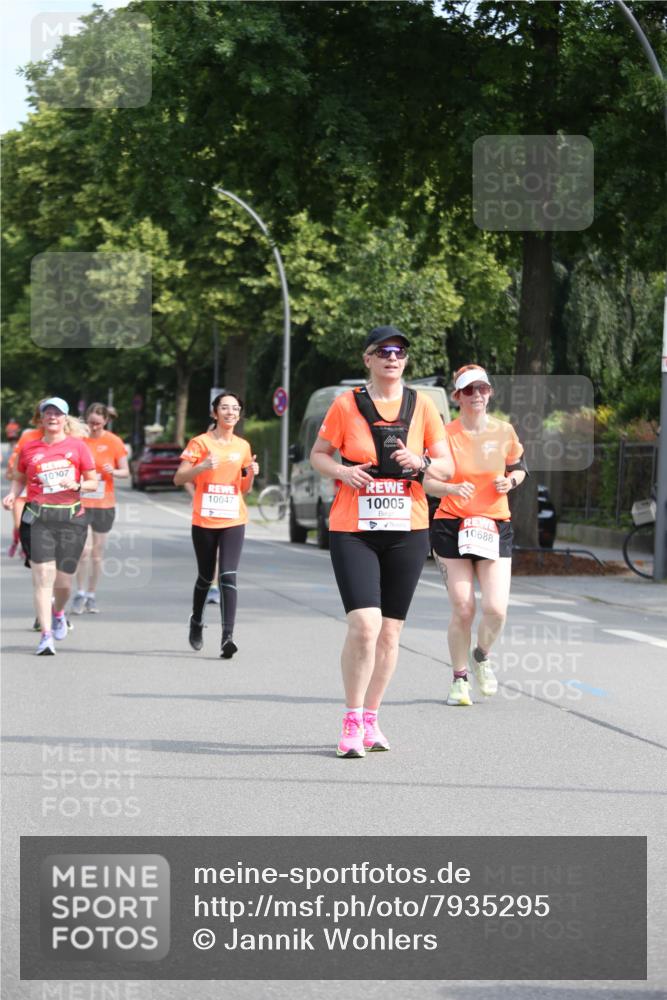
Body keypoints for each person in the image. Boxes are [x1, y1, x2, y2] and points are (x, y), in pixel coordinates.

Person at [310, 326, 454, 758]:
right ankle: (351, 720)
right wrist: (341, 472)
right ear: (367, 359)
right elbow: (319, 455)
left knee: (391, 633)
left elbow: (446, 465)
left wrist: (423, 461)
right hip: (353, 528)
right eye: (384, 351)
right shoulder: (345, 404)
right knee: (365, 625)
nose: (394, 357)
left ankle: (372, 719)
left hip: (407, 528)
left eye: (400, 352)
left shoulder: (423, 405)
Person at [423, 364, 527, 706]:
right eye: (469, 390)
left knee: (496, 608)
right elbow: (426, 482)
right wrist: (451, 487)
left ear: (490, 393)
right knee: (464, 607)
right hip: (452, 525)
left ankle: (481, 655)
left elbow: (520, 468)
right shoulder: (444, 435)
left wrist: (509, 481)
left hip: (494, 525)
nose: (477, 395)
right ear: (457, 397)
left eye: (482, 388)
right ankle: (458, 680)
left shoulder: (504, 431)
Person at [2, 397, 97, 655]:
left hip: (71, 519)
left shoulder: (78, 447)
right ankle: (45, 636)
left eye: (57, 413)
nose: (52, 417)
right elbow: (19, 477)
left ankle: (58, 612)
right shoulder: (29, 448)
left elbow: (93, 482)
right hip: (38, 518)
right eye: (48, 413)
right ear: (41, 418)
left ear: (65, 419)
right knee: (43, 578)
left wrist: (77, 485)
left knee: (64, 583)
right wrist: (13, 494)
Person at [174, 391, 259, 658]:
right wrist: (201, 467)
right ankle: (197, 620)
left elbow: (244, 489)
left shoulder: (242, 446)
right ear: (215, 413)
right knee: (205, 575)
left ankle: (227, 637)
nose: (230, 412)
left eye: (235, 408)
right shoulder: (200, 443)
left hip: (234, 517)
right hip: (205, 517)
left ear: (239, 414)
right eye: (224, 408)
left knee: (228, 575)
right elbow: (178, 478)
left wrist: (251, 475)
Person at [70, 403, 129, 615]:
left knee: (97, 553)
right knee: (83, 552)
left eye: (97, 423)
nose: (93, 427)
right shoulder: (79, 440)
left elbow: (126, 472)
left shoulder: (113, 441)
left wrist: (112, 470)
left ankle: (92, 595)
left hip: (104, 504)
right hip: (82, 502)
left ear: (105, 421)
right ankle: (80, 592)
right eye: (90, 423)